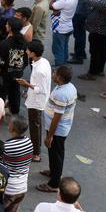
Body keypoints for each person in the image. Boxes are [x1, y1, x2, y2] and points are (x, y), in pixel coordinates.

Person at [0, 117, 33, 212]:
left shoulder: (7, 147)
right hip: (21, 188)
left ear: (13, 129)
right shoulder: (28, 142)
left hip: (9, 189)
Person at [38, 65, 75, 194]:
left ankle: (54, 183)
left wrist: (49, 136)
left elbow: (57, 117)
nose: (52, 74)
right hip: (60, 128)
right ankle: (54, 172)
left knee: (56, 154)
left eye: (54, 73)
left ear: (59, 77)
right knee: (54, 152)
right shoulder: (69, 87)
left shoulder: (61, 94)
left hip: (58, 130)